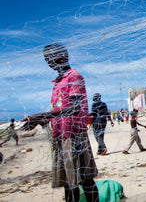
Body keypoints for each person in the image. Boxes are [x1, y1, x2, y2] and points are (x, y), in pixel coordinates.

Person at [21, 43, 99, 202]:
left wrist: (40, 114)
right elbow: (60, 109)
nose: (49, 61)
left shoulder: (73, 76)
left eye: (51, 56)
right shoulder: (57, 81)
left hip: (74, 136)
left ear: (64, 55)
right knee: (68, 182)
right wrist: (42, 120)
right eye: (46, 58)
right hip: (61, 136)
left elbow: (75, 108)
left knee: (84, 179)